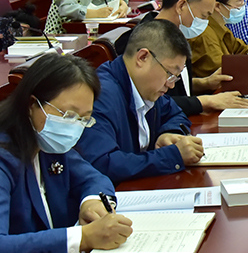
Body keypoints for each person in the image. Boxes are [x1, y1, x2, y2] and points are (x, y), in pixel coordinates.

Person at [0, 54, 133, 253]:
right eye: (69, 115)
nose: (74, 126)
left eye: (83, 119)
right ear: (32, 104)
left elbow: (95, 178)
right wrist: (81, 238)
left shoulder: (49, 145)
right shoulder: (4, 156)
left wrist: (91, 201)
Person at [78, 20, 204, 185]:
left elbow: (175, 113)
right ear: (142, 57)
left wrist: (168, 133)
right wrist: (172, 156)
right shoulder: (102, 96)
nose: (171, 85)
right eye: (170, 74)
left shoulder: (145, 87)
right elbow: (103, 163)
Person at [114, 0, 248, 114]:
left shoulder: (178, 35)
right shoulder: (141, 42)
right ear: (181, 6)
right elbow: (150, 101)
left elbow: (177, 87)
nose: (205, 23)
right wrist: (204, 101)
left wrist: (205, 82)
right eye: (203, 16)